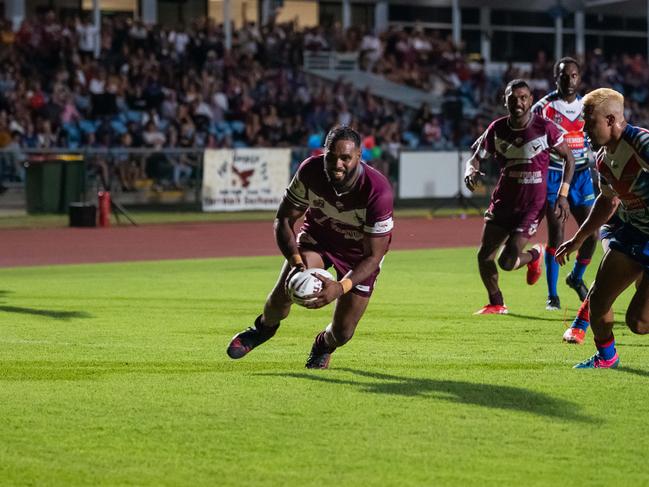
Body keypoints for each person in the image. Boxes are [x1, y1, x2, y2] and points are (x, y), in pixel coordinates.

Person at [226, 126, 394, 369]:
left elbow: (374, 255)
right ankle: (262, 330)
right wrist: (296, 264)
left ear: (359, 157)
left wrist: (341, 286)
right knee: (280, 298)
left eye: (346, 158)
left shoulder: (377, 191)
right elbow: (283, 219)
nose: (337, 164)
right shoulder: (310, 171)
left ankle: (323, 344)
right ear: (323, 153)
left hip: (359, 256)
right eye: (332, 156)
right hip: (318, 240)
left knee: (343, 333)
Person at [464, 79, 575, 315]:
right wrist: (470, 171)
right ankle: (496, 303)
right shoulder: (496, 129)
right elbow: (475, 157)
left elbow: (570, 159)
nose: (518, 102)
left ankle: (535, 254)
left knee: (507, 261)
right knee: (484, 257)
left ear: (531, 100)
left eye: (523, 97)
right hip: (503, 202)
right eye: (513, 98)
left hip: (531, 205)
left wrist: (563, 195)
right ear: (505, 100)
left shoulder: (545, 128)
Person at [556, 88, 649, 368]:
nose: (583, 128)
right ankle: (607, 359)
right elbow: (607, 201)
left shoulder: (642, 142)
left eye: (589, 121)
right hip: (634, 233)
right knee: (597, 302)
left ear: (610, 120)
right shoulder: (602, 157)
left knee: (639, 322)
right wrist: (578, 237)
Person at [533, 57, 598, 311]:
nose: (569, 80)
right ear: (555, 77)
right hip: (554, 175)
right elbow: (525, 129)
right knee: (557, 235)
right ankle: (552, 295)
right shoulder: (543, 107)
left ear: (579, 78)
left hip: (581, 175)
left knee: (592, 234)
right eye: (563, 75)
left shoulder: (587, 106)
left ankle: (576, 277)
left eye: (573, 76)